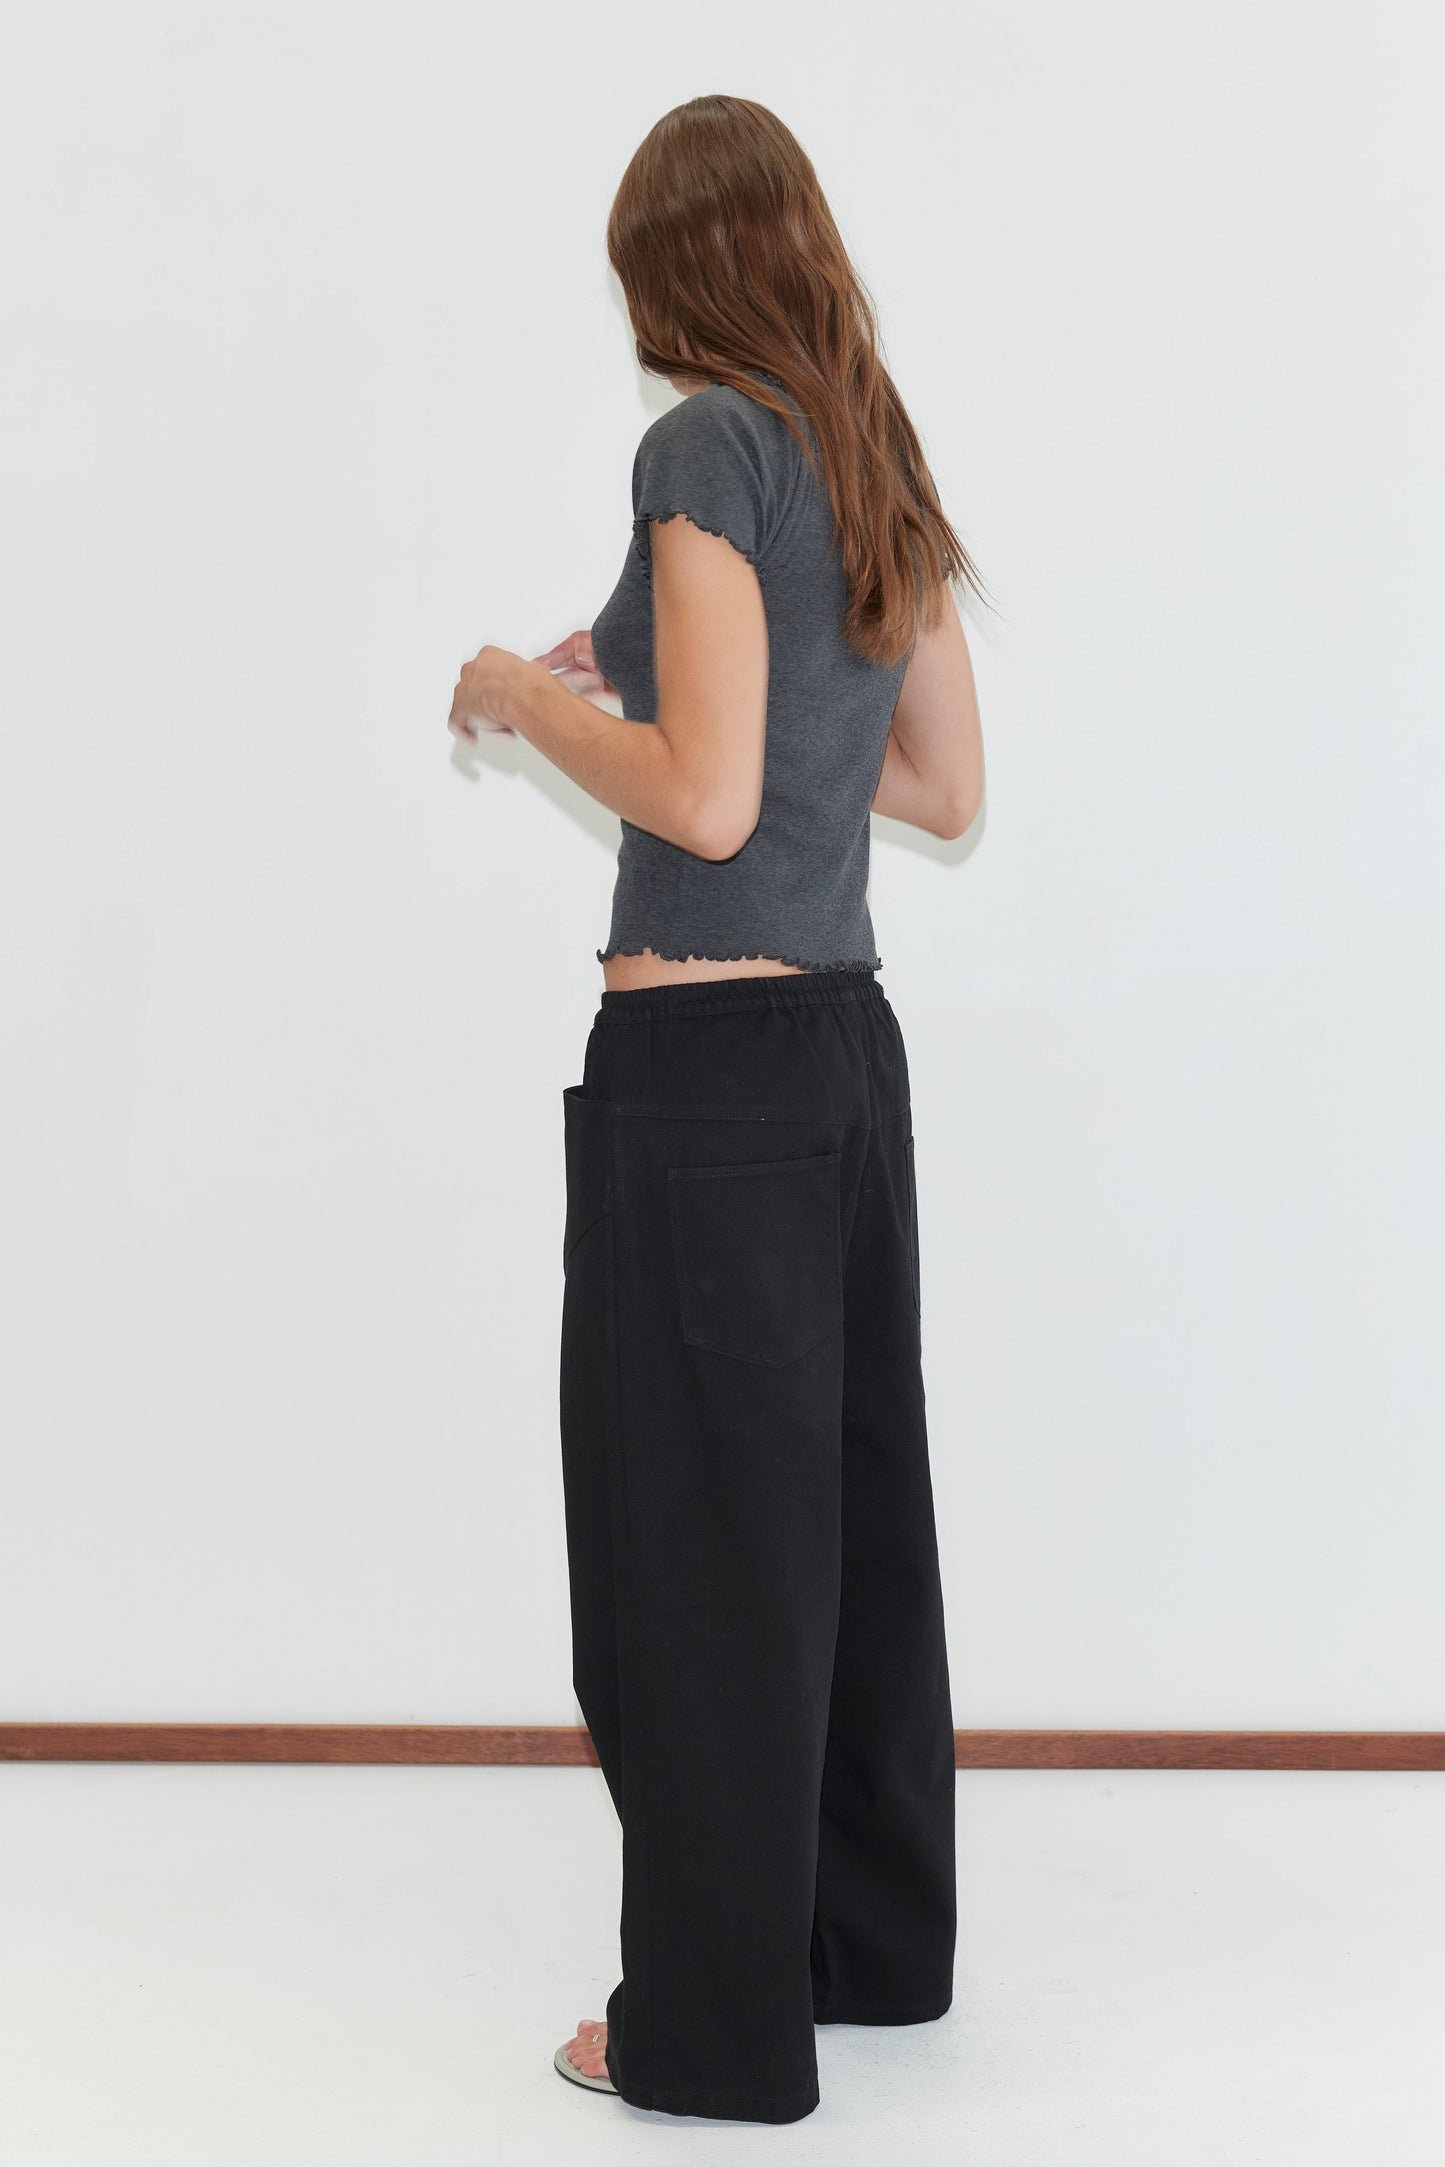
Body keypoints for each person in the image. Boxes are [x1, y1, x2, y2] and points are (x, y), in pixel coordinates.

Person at [448, 93, 985, 2126]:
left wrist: (525, 694)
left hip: (705, 1082)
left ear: (669, 270)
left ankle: (705, 2028)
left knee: (694, 1556)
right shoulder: (870, 456)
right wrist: (662, 690)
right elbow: (938, 791)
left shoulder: (699, 445)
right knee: (843, 1524)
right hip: (842, 1056)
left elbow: (704, 799)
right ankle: (865, 1949)